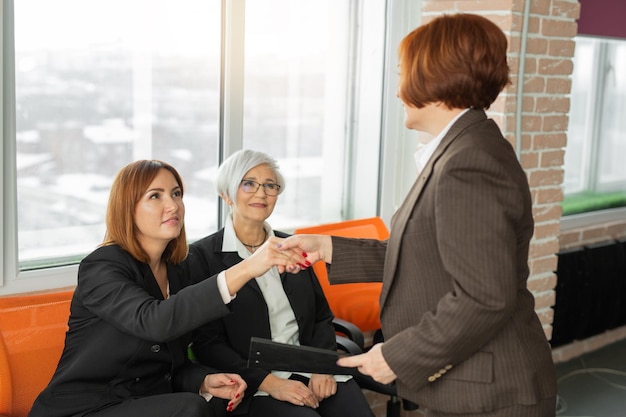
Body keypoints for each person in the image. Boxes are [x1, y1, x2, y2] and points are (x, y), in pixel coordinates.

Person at [278, 13, 557, 417]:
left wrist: (395, 356)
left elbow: (484, 297)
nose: (398, 91)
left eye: (402, 74)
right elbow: (424, 254)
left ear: (435, 74)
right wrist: (327, 246)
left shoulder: (469, 162)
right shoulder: (463, 148)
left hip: (490, 395)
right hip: (470, 386)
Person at [28, 159, 308, 417]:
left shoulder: (178, 271)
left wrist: (203, 381)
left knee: (221, 401)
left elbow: (167, 366)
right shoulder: (102, 266)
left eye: (176, 194)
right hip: (85, 408)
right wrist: (247, 267)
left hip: (139, 403)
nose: (173, 205)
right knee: (189, 408)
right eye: (155, 196)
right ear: (128, 207)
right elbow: (155, 321)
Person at [187, 149, 375, 417]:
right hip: (257, 380)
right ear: (226, 194)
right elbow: (207, 343)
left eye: (270, 185)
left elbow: (322, 316)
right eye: (248, 183)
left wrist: (323, 365)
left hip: (313, 366)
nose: (261, 193)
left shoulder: (294, 244)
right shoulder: (202, 257)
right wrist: (269, 382)